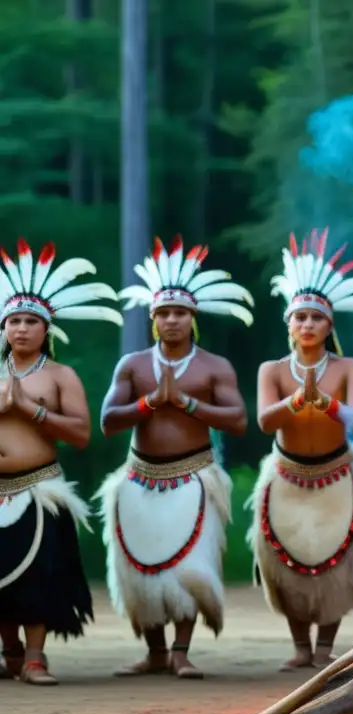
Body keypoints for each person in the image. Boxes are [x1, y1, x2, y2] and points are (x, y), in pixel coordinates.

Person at [96, 235, 252, 679]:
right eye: (163, 312)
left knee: (189, 565)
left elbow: (237, 420)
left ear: (193, 317)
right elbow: (108, 420)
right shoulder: (132, 365)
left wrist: (185, 404)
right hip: (141, 478)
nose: (171, 320)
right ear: (152, 318)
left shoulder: (214, 366)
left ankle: (181, 652)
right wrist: (148, 404)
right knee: (142, 568)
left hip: (194, 478)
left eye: (179, 312)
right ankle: (156, 652)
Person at [249, 229, 353, 670]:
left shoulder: (349, 368)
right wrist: (295, 401)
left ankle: (326, 648)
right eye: (300, 317)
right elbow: (264, 421)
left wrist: (327, 404)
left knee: (336, 561)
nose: (307, 324)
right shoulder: (272, 369)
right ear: (288, 325)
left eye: (316, 318)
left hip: (337, 472)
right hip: (286, 472)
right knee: (284, 561)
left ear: (330, 326)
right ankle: (299, 648)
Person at [0, 239, 123, 685]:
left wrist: (27, 409)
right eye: (14, 320)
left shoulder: (60, 376)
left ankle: (35, 658)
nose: (22, 328)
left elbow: (81, 434)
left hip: (40, 489)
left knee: (38, 576)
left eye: (31, 321)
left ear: (46, 329)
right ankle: (10, 651)